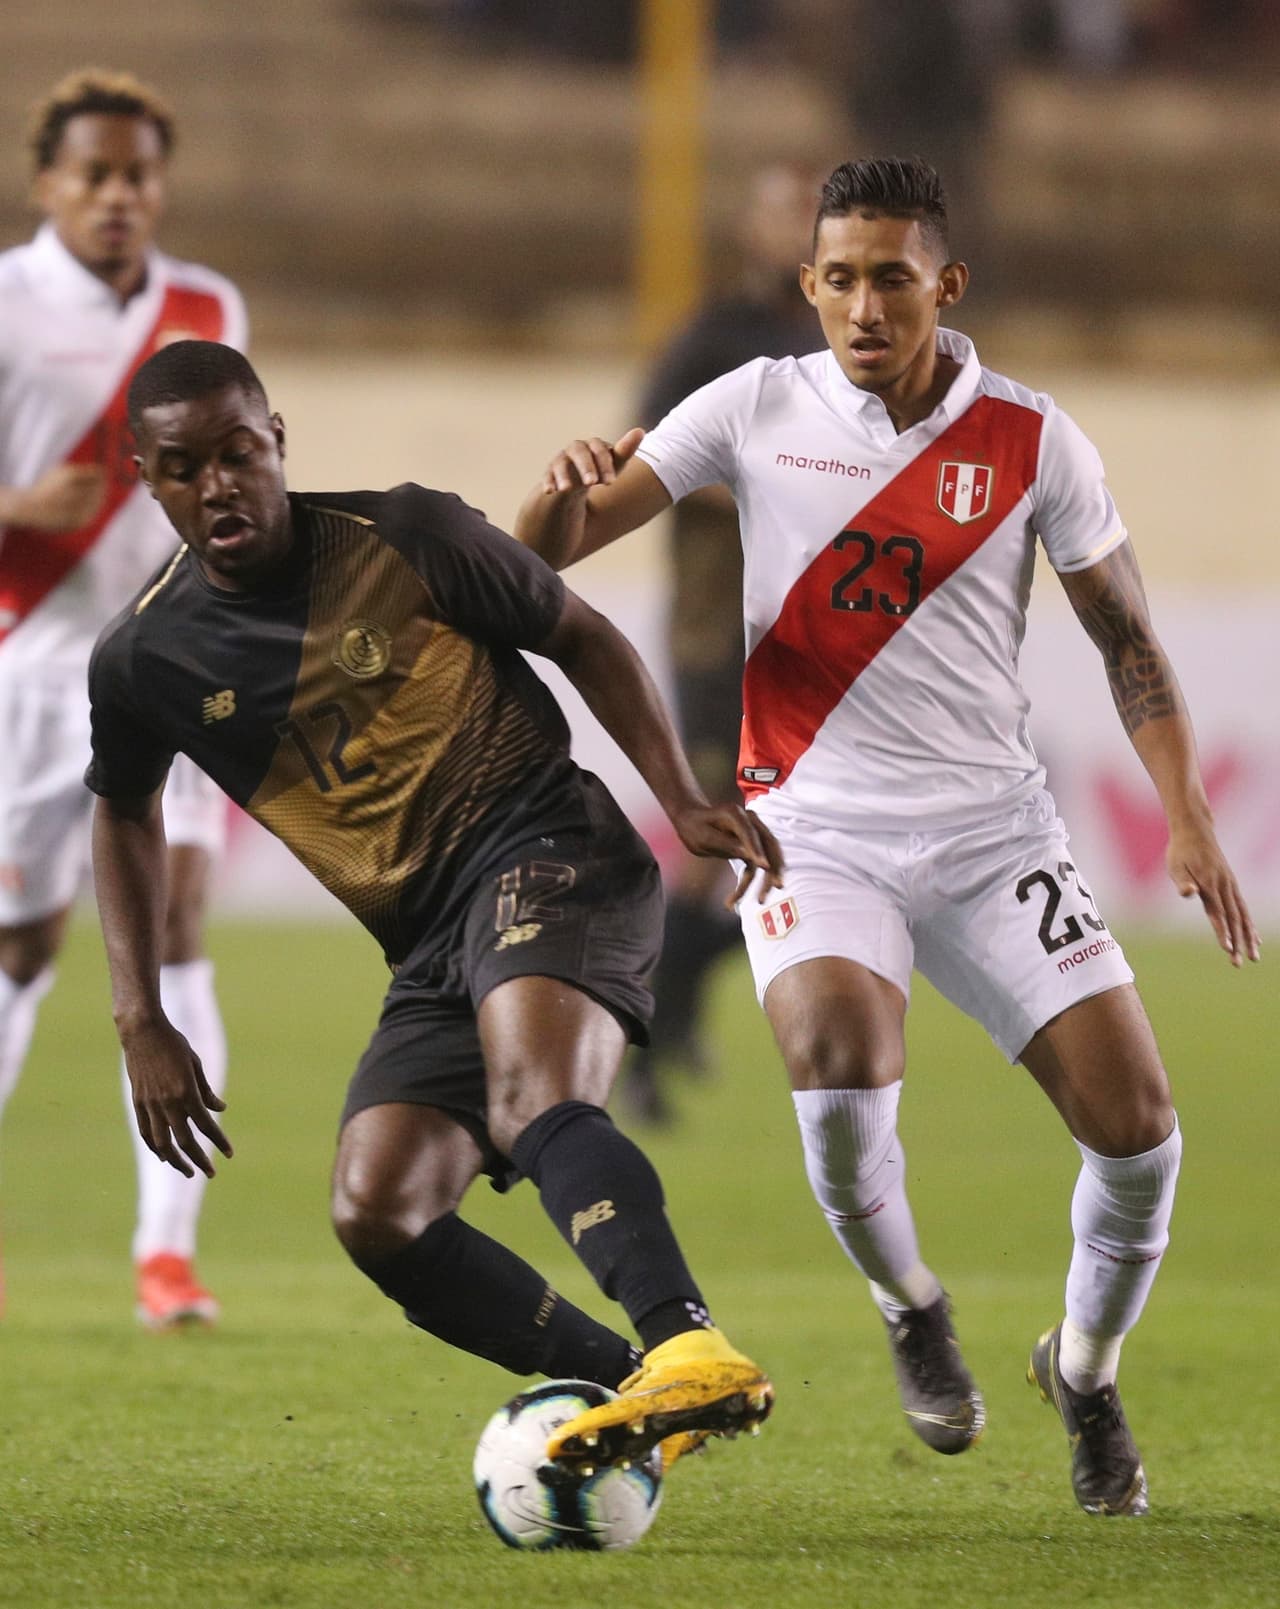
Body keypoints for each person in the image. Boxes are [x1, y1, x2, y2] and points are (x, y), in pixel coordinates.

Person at [514, 156, 1260, 1515]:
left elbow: (1126, 640)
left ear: (945, 285)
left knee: (1141, 1132)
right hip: (811, 826)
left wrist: (1190, 821)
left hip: (992, 834)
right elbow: (548, 554)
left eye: (893, 281)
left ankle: (1082, 1370)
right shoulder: (752, 401)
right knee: (839, 1075)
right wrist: (555, 491)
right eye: (842, 280)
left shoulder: (1032, 439)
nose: (865, 308)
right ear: (809, 284)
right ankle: (909, 1301)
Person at [86, 339, 783, 1471]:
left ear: (276, 441)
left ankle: (686, 1341)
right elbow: (122, 810)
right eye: (182, 468)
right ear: (146, 478)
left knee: (533, 1092)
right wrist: (139, 1015)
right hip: (429, 941)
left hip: (552, 849)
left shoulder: (407, 534)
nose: (217, 485)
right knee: (378, 1207)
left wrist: (683, 800)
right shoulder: (143, 658)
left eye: (237, 453)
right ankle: (641, 1390)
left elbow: (580, 632)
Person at [0, 69, 246, 1327]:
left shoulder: (207, 307)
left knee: (176, 918)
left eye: (137, 175)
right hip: (32, 666)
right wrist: (13, 506)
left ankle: (167, 1253)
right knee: (21, 946)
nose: (117, 196)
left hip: (171, 661)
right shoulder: (4, 303)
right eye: (93, 174)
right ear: (47, 182)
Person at [626, 162, 826, 1124]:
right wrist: (761, 482)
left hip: (814, 640)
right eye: (783, 212)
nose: (797, 229)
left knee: (791, 848)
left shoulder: (837, 340)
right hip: (718, 634)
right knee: (718, 843)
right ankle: (638, 1037)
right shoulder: (715, 337)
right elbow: (647, 448)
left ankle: (669, 1010)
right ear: (751, 229)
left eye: (811, 213)